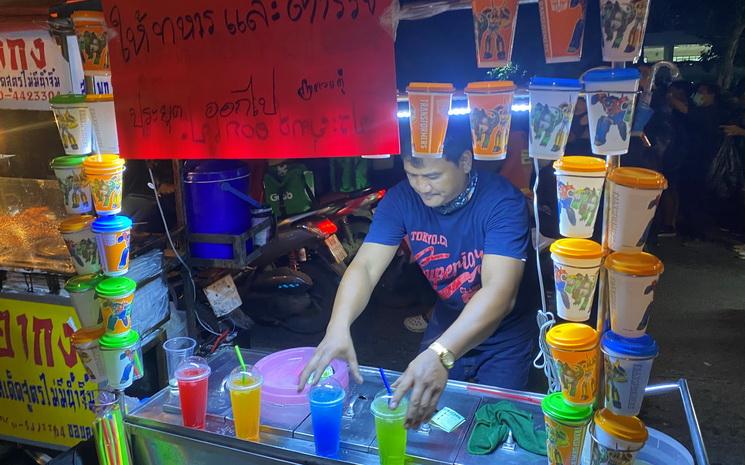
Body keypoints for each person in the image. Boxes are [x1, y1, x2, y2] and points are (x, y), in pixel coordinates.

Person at [298, 117, 537, 429]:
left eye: (433, 176)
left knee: (491, 427)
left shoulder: (502, 202)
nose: (422, 187)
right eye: (413, 175)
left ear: (465, 162)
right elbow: (366, 267)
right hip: (447, 322)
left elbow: (499, 293)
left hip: (504, 336)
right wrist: (338, 326)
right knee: (427, 423)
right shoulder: (401, 199)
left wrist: (440, 353)